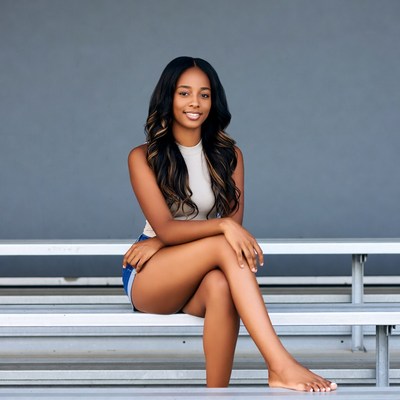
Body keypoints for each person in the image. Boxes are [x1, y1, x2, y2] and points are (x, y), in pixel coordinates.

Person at [122, 56, 337, 392]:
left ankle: (217, 394)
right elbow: (170, 227)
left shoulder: (229, 155)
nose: (195, 103)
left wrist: (186, 235)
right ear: (168, 98)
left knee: (222, 285)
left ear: (214, 101)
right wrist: (173, 238)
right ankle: (279, 364)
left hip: (195, 268)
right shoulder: (144, 157)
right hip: (152, 275)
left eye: (204, 94)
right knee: (225, 243)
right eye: (184, 93)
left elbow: (232, 227)